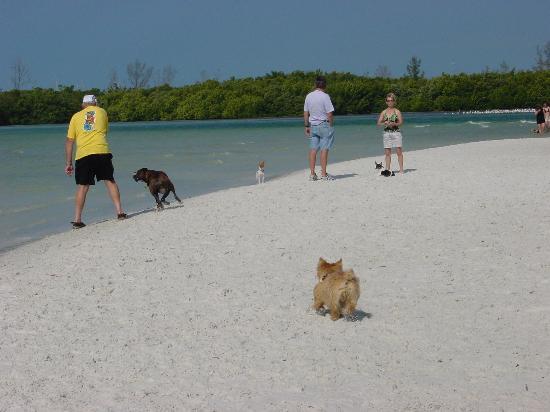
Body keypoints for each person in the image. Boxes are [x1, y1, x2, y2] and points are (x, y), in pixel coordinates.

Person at [65, 94, 126, 228]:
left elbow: (70, 141)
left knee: (83, 186)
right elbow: (104, 131)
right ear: (95, 103)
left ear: (83, 104)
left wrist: (69, 163)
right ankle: (120, 212)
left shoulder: (75, 117)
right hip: (101, 151)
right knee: (109, 181)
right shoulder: (102, 112)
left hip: (83, 154)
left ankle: (77, 220)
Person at [304, 76, 335, 181]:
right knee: (324, 149)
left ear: (315, 84)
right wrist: (331, 125)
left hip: (313, 126)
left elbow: (306, 112)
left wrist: (306, 125)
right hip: (324, 124)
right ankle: (323, 174)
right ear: (325, 85)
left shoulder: (308, 96)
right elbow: (330, 113)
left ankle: (312, 174)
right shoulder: (325, 96)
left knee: (313, 150)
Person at [377, 92, 404, 174]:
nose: (390, 102)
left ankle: (401, 169)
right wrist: (384, 123)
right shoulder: (384, 112)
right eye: (388, 101)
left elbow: (401, 122)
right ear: (386, 102)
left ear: (394, 101)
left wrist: (394, 124)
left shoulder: (397, 111)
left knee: (399, 151)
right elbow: (378, 123)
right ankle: (388, 169)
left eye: (391, 100)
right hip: (386, 133)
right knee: (387, 153)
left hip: (396, 133)